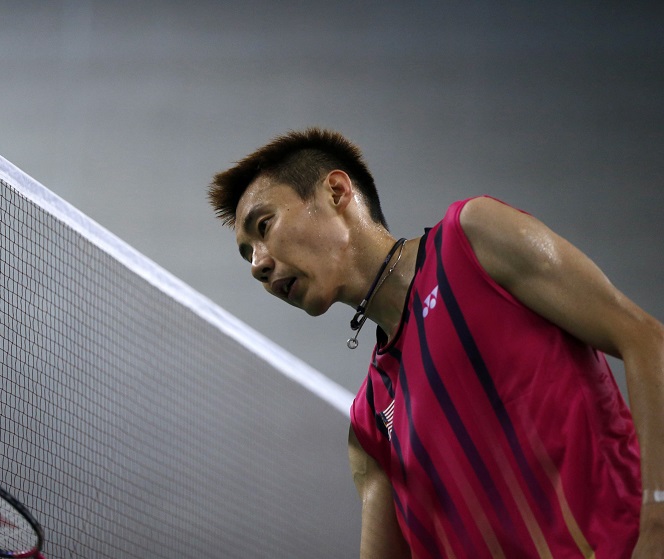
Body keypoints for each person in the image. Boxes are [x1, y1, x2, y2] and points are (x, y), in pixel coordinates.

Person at [207, 128, 664, 558]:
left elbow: (646, 340)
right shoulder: (370, 423)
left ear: (337, 192)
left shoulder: (473, 240)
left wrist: (658, 524)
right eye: (247, 254)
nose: (257, 266)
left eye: (263, 227)